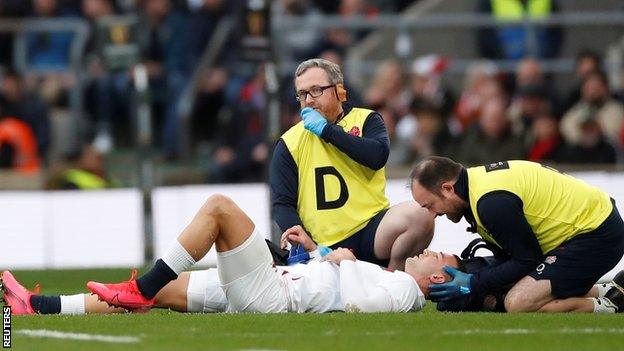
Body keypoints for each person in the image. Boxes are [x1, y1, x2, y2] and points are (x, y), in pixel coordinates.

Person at [11, 194, 458, 314]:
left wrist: (341, 263)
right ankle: (37, 306)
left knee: (220, 208)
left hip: (273, 295)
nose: (434, 251)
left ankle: (141, 286)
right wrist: (324, 257)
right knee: (165, 295)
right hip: (278, 285)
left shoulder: (405, 291)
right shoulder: (398, 282)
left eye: (441, 258)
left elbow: (361, 304)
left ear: (436, 281)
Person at [270, 58, 434, 271]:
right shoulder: (289, 142)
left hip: (371, 231)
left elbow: (376, 157)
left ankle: (393, 279)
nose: (309, 100)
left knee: (420, 216)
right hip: (322, 244)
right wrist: (305, 241)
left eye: (317, 90)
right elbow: (282, 203)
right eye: (302, 94)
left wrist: (328, 131)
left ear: (339, 91)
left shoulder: (367, 119)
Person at [409, 156, 624, 313]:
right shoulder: (477, 188)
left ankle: (611, 305)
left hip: (597, 235)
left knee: (518, 302)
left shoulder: (490, 203)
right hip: (593, 225)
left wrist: (472, 283)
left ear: (448, 189)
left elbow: (527, 260)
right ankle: (608, 290)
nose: (432, 215)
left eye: (430, 205)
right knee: (516, 284)